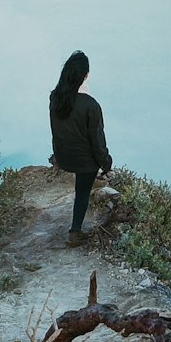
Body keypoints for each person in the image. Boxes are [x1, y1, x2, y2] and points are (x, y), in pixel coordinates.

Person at [49, 50, 113, 244]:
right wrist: (107, 164)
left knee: (85, 172)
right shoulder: (91, 105)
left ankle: (94, 177)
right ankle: (75, 232)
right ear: (85, 75)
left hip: (63, 157)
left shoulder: (55, 98)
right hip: (83, 163)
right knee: (82, 192)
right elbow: (98, 142)